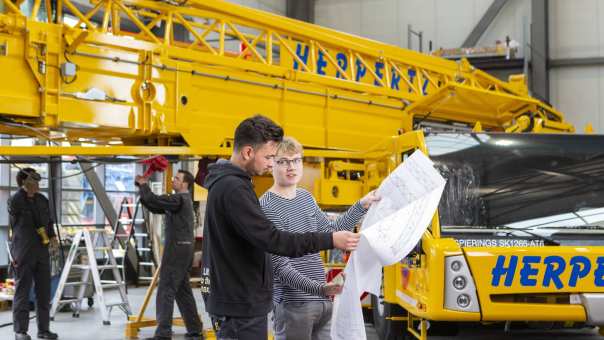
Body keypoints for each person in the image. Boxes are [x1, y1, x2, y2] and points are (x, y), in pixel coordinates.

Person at [200, 115, 361, 340]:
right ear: (248, 152)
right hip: (241, 304)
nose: (271, 163)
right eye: (271, 158)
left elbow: (327, 228)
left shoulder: (235, 185)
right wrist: (330, 241)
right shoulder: (235, 190)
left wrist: (361, 206)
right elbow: (274, 241)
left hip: (241, 301)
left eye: (295, 160)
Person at [260, 137, 379, 340]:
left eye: (296, 160)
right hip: (294, 305)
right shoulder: (266, 206)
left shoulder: (306, 198)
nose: (291, 167)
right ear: (271, 164)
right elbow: (280, 267)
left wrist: (362, 205)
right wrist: (321, 288)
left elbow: (332, 231)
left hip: (323, 302)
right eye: (283, 161)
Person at [135, 170, 204, 340]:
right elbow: (154, 205)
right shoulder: (181, 201)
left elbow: (155, 200)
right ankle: (195, 329)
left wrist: (144, 184)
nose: (173, 180)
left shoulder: (179, 199)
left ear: (185, 184)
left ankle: (163, 333)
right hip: (185, 250)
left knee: (166, 290)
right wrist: (143, 190)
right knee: (183, 291)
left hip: (177, 250)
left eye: (177, 179)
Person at [8, 168, 59, 340]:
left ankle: (43, 330)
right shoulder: (16, 200)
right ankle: (20, 331)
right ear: (25, 182)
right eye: (33, 182)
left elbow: (49, 221)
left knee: (43, 292)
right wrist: (25, 191)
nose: (37, 185)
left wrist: (52, 237)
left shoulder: (42, 200)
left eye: (38, 182)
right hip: (23, 251)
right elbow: (14, 209)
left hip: (41, 251)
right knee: (22, 291)